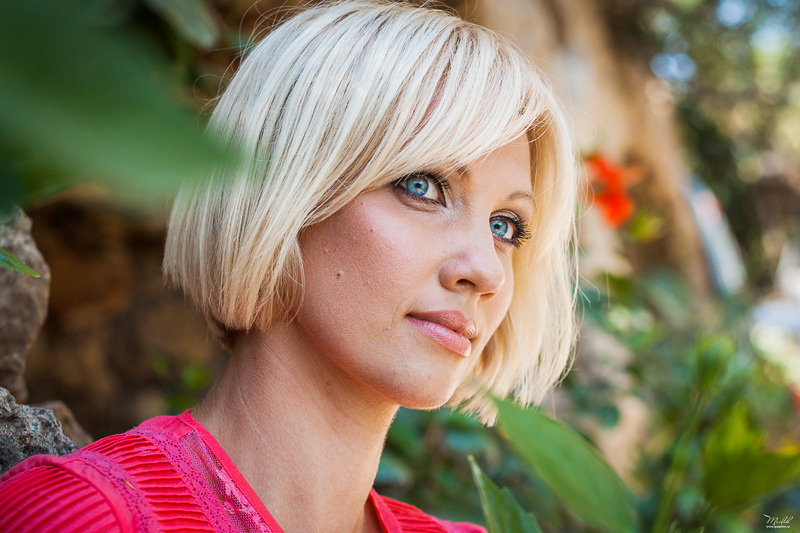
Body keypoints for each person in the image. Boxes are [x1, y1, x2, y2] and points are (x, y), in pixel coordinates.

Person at [0, 1, 578, 531]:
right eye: (423, 186)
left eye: (505, 226)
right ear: (289, 192)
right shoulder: (86, 516)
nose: (487, 271)